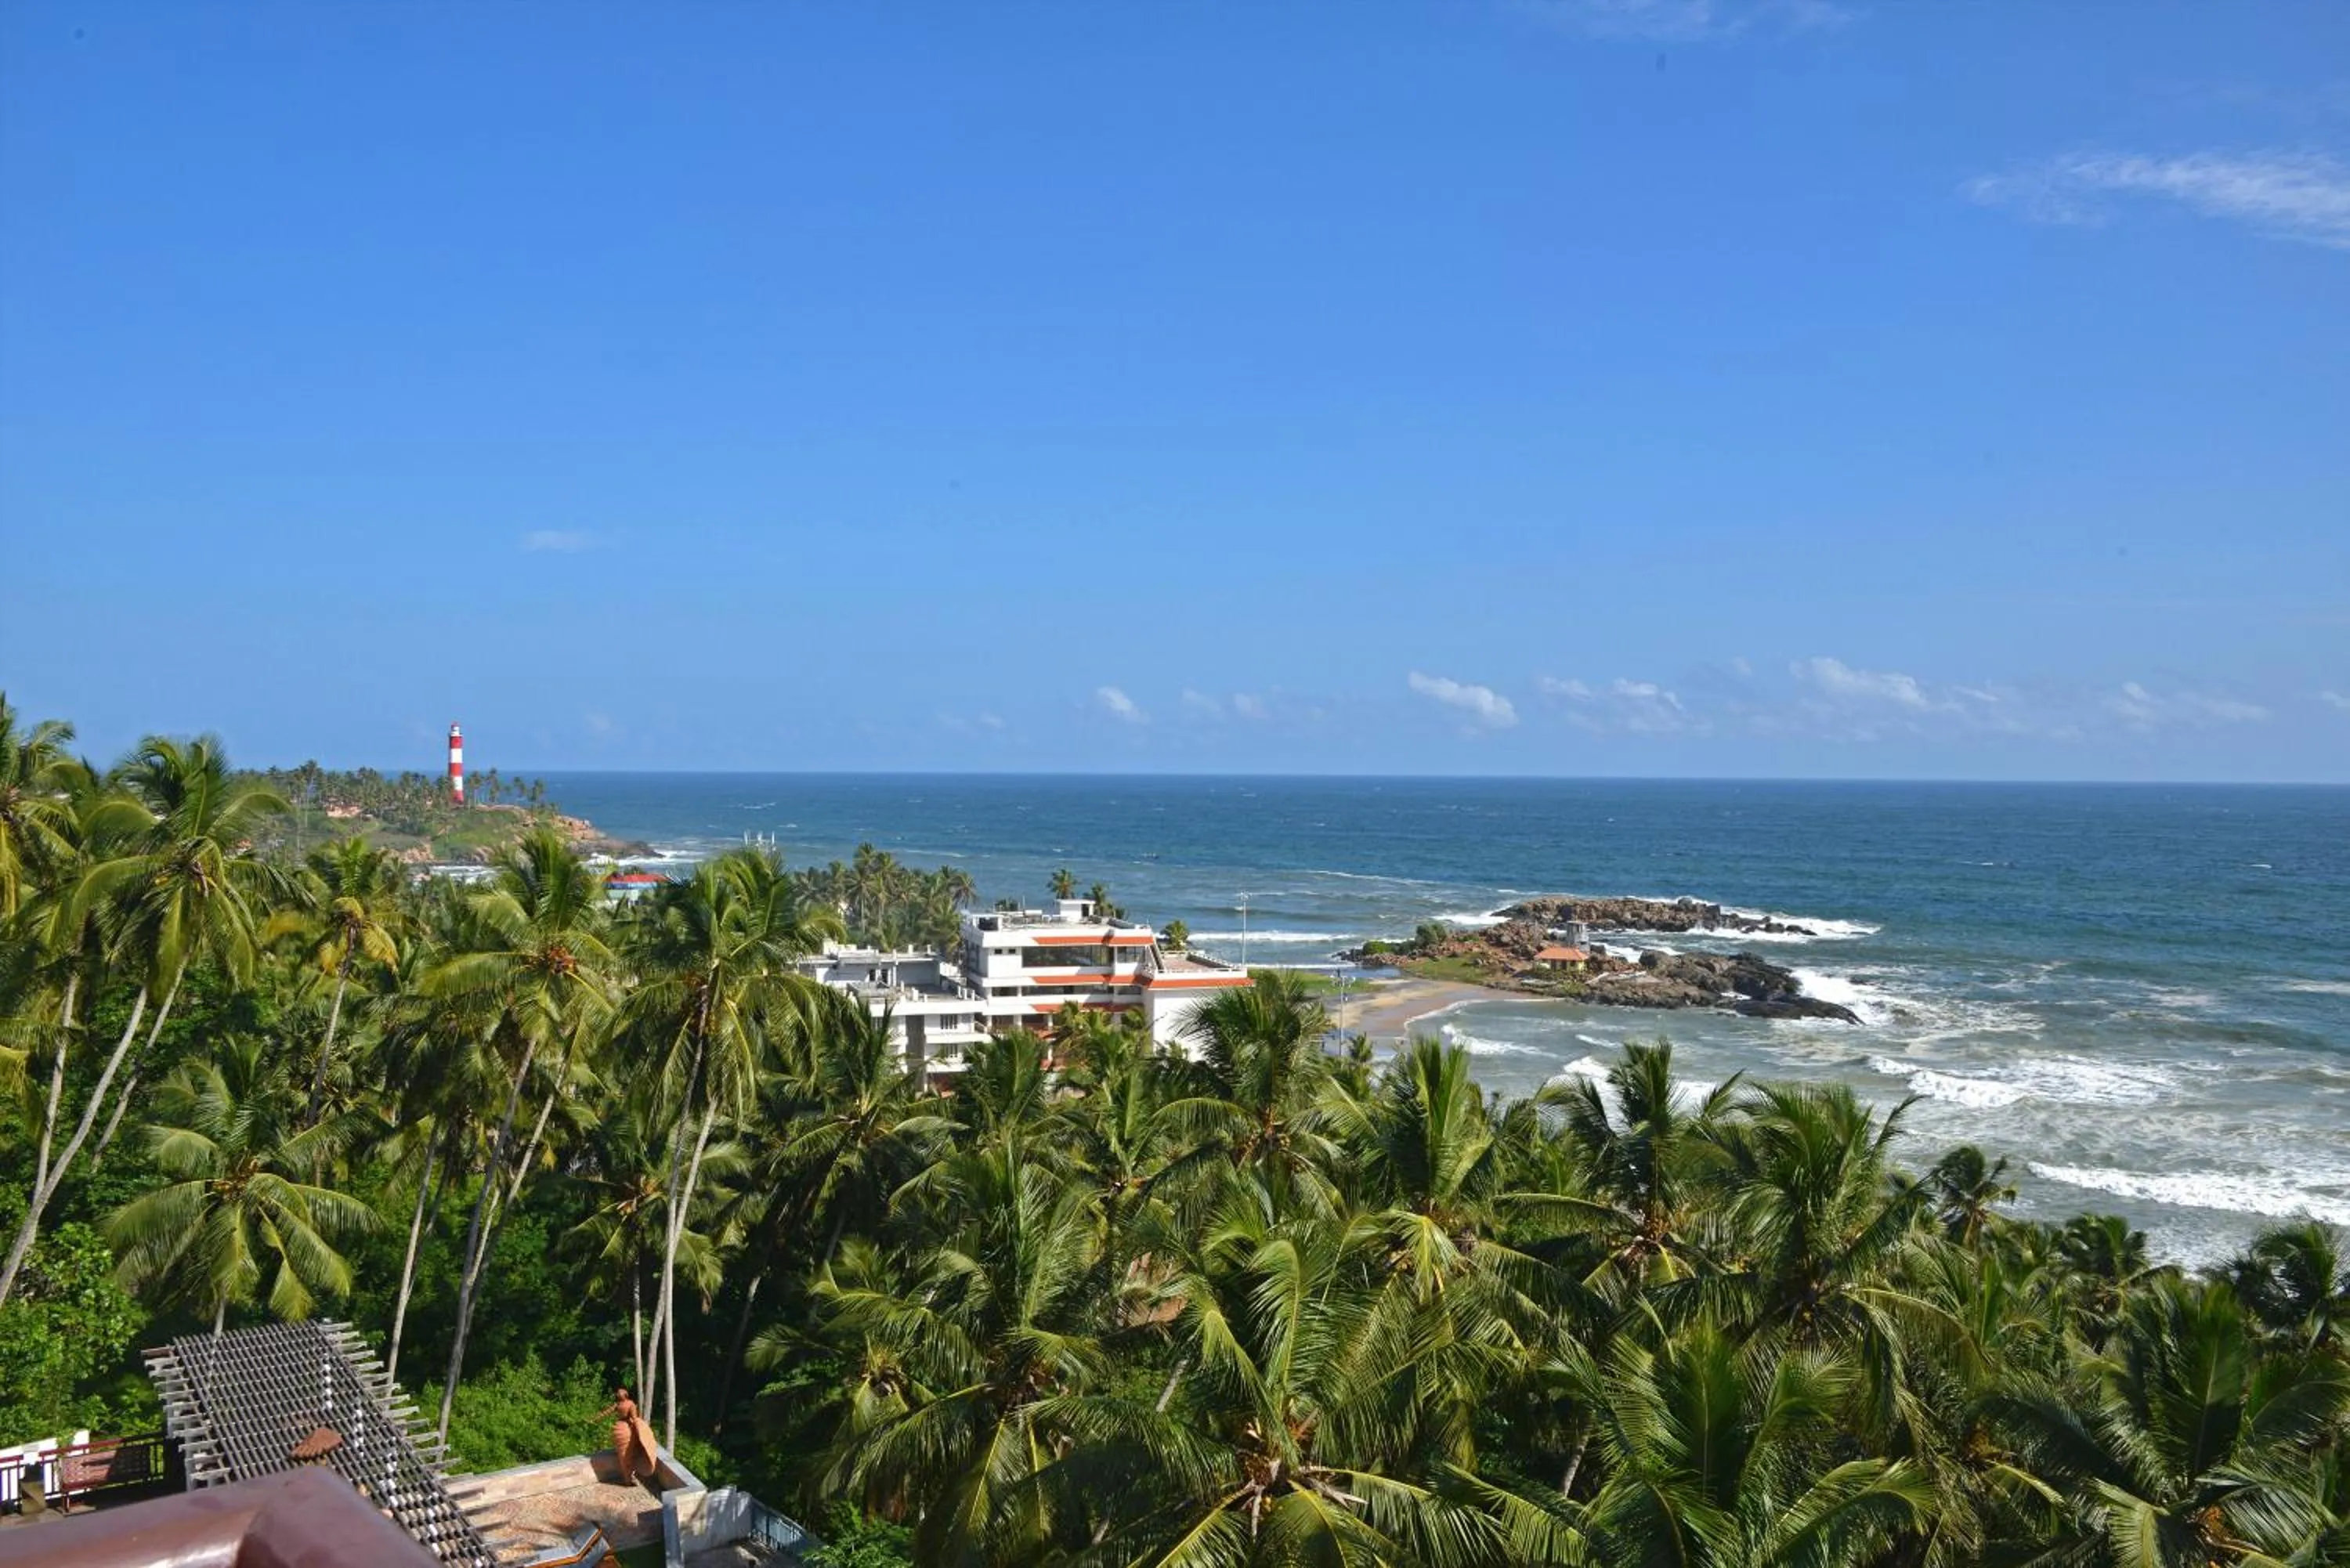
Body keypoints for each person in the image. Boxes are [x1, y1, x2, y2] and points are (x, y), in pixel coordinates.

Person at [597, 1387, 656, 1485]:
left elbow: (605, 1413)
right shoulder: (630, 1404)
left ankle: (628, 1478)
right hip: (627, 1430)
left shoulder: (618, 1404)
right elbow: (634, 1418)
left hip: (618, 1428)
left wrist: (595, 1419)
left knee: (624, 1456)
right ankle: (628, 1478)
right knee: (628, 1455)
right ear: (626, 1395)